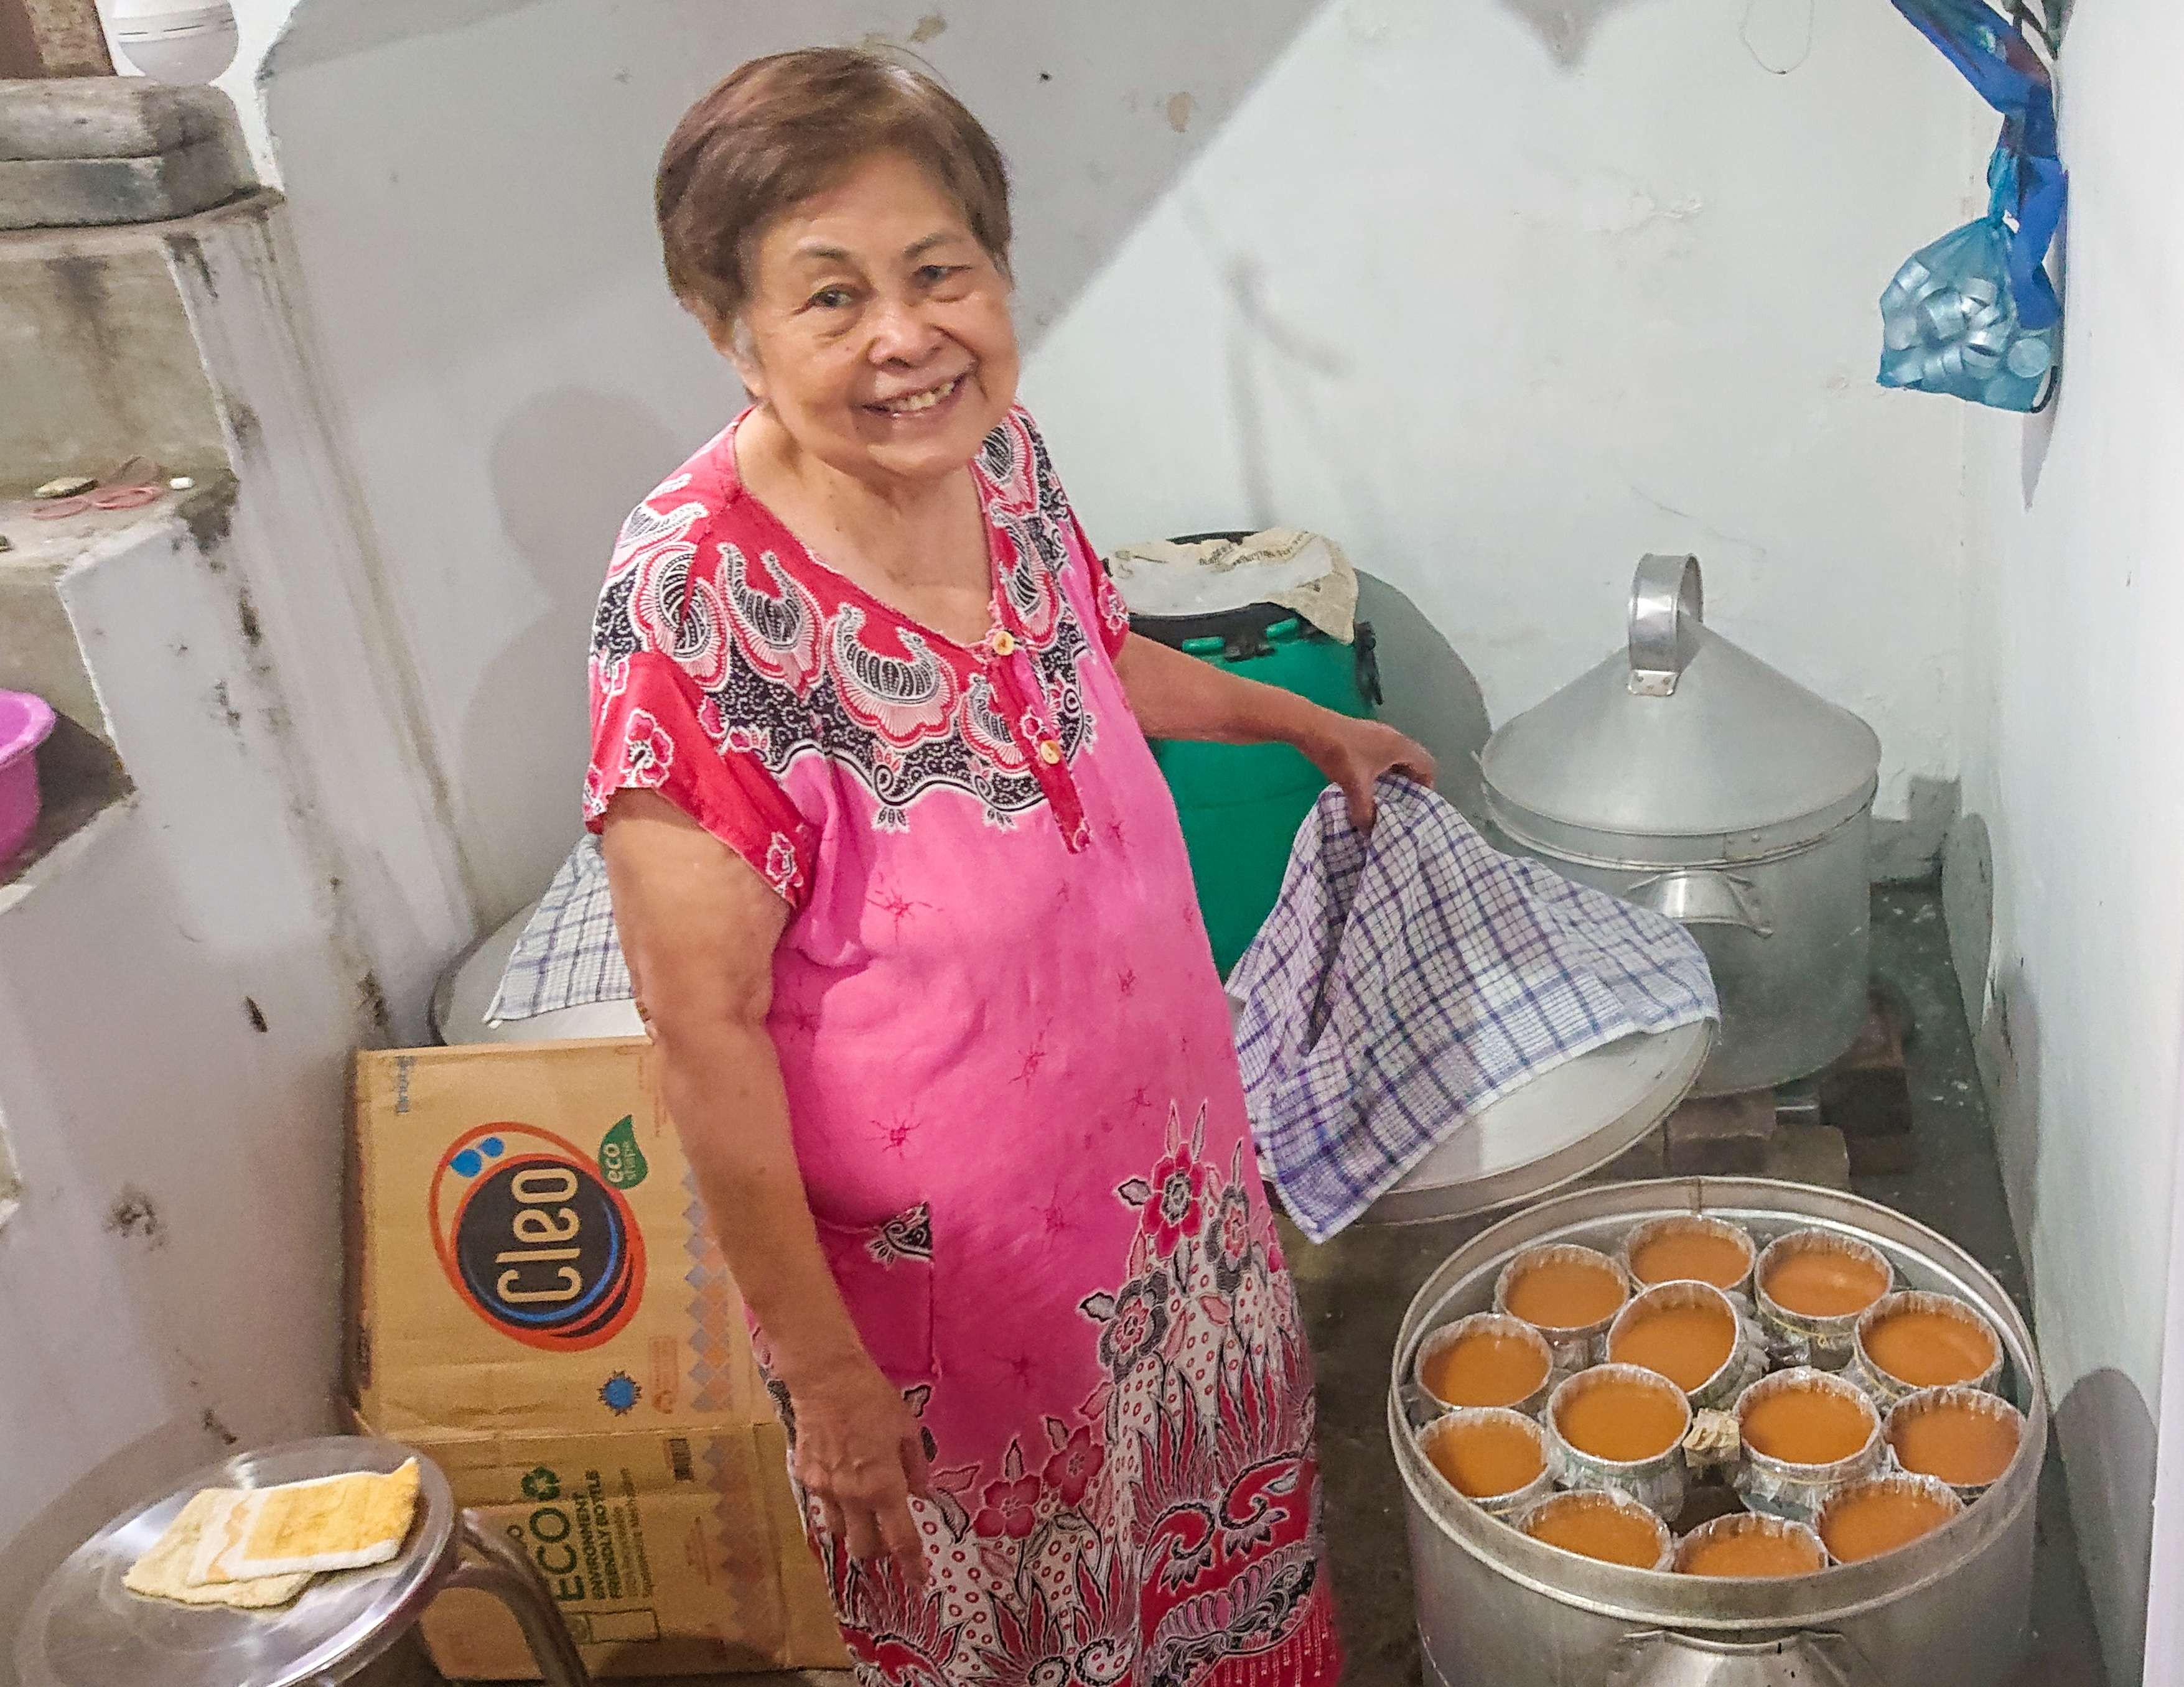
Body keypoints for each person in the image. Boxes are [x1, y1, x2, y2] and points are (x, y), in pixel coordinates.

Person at [590, 46, 1432, 1685]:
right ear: (730, 328)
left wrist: (1297, 722)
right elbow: (702, 1030)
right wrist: (828, 1380)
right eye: (831, 299)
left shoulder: (1000, 456)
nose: (907, 337)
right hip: (948, 1310)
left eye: (940, 272)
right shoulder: (694, 615)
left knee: (1219, 1576)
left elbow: (1091, 657)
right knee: (1043, 1635)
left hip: (1169, 1204)